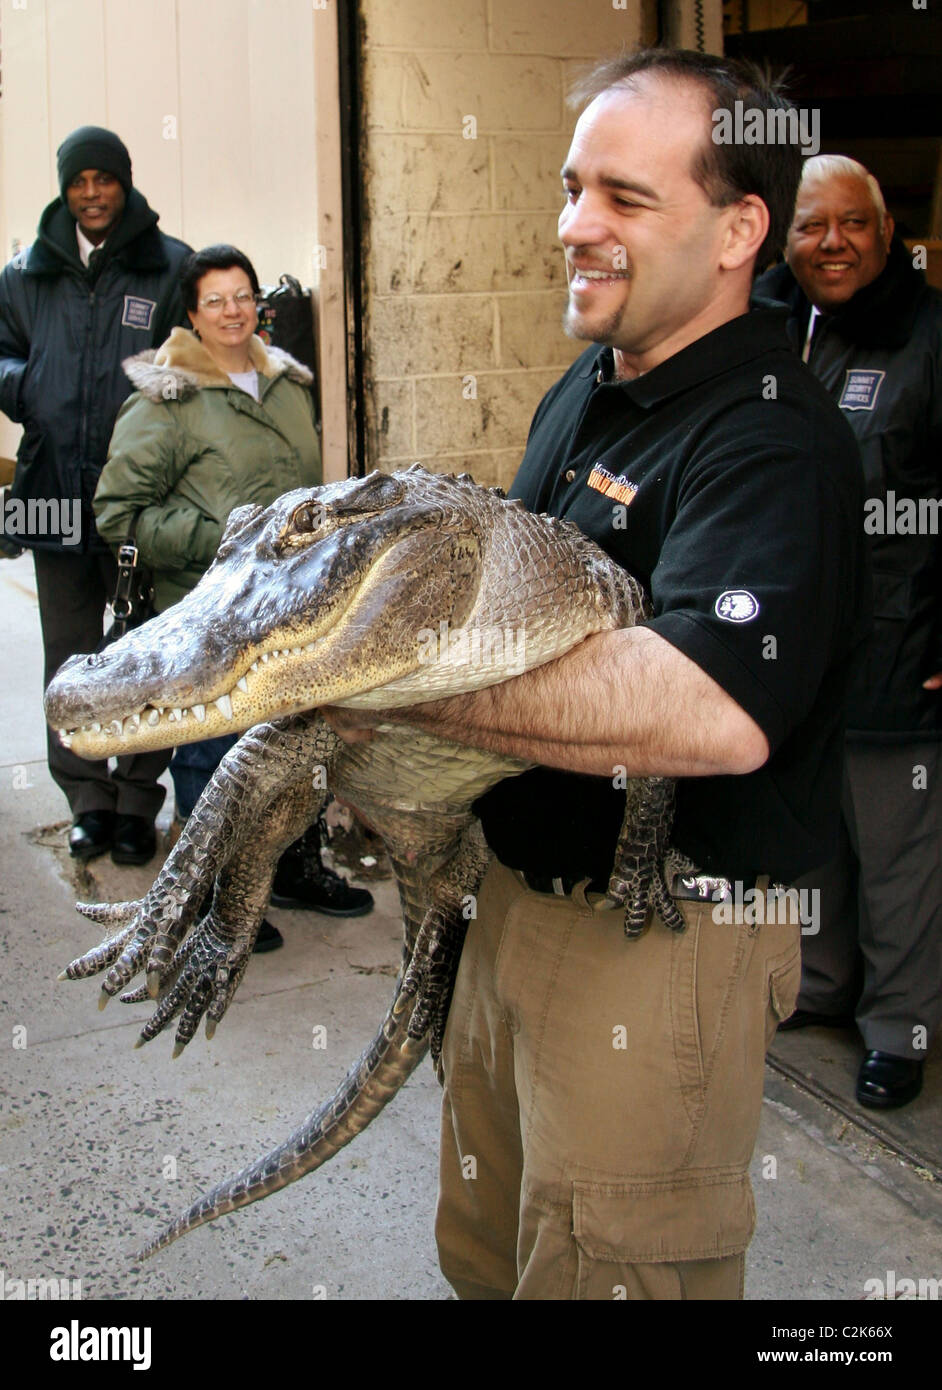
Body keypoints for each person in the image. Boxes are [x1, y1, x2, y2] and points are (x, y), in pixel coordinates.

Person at [327, 49, 870, 1300]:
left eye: (625, 198)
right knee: (491, 1249)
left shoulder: (773, 439)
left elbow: (710, 706)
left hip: (662, 936)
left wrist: (394, 687)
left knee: (609, 1275)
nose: (574, 224)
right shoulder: (594, 381)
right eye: (573, 187)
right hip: (513, 899)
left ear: (741, 230)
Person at [94, 244, 372, 951]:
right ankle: (215, 891)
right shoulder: (168, 396)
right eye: (215, 299)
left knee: (302, 744)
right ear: (191, 312)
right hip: (212, 611)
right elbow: (118, 512)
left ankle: (293, 867)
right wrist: (222, 534)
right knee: (214, 753)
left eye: (243, 295)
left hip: (296, 610)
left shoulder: (288, 384)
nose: (232, 310)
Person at [757, 156, 942, 1110]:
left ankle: (899, 1025)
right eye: (811, 226)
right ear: (783, 239)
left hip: (896, 641)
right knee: (816, 831)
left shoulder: (926, 340)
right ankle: (823, 986)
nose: (832, 243)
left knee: (897, 848)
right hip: (799, 648)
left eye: (853, 225)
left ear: (884, 230)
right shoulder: (766, 329)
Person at [0, 126, 191, 865]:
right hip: (49, 488)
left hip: (137, 494)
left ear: (124, 182)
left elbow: (194, 361)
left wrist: (156, 413)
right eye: (78, 181)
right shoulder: (25, 273)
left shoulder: (168, 265)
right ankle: (86, 796)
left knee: (143, 648)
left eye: (103, 180)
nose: (91, 193)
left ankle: (140, 800)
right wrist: (29, 388)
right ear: (64, 188)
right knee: (70, 653)